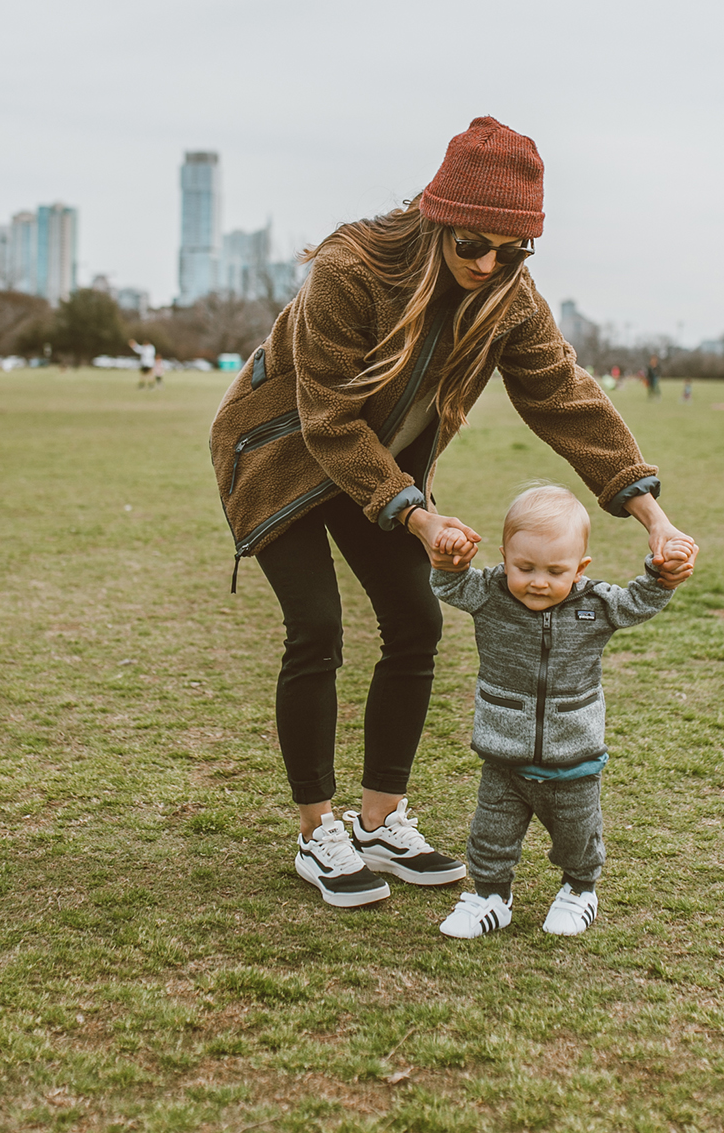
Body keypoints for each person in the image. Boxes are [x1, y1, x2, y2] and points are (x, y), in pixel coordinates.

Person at [210, 116, 698, 910]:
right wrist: (415, 514)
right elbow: (329, 420)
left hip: (384, 473)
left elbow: (566, 399)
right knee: (317, 627)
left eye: (512, 251)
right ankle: (317, 832)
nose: (488, 263)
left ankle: (379, 819)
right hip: (283, 454)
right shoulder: (352, 268)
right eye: (473, 243)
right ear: (438, 216)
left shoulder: (509, 297)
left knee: (416, 623)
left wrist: (652, 516)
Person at [431, 485, 688, 939]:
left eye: (555, 571)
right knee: (491, 834)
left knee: (577, 837)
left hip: (575, 758)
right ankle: (490, 896)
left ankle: (578, 890)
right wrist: (448, 560)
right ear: (505, 557)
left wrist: (663, 575)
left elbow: (638, 602)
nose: (538, 581)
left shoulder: (596, 604)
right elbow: (451, 585)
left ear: (580, 568)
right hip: (503, 755)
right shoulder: (490, 595)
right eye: (524, 567)